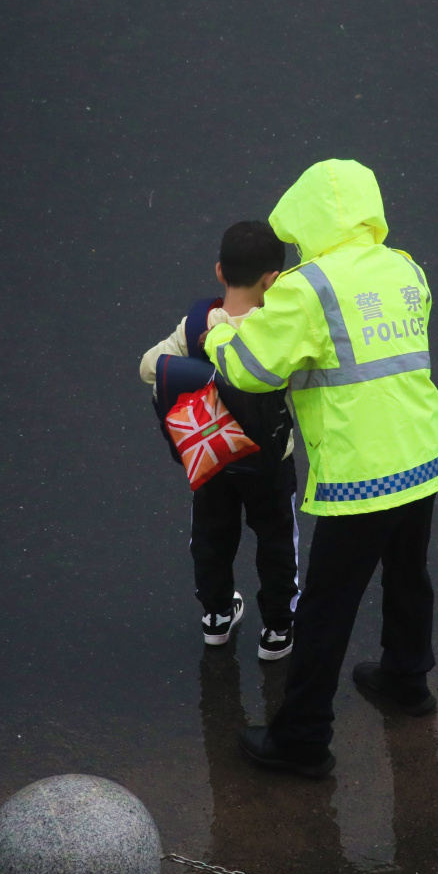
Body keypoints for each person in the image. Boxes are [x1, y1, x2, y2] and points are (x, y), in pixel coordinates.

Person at [203, 160, 438, 777]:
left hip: (361, 472)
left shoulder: (308, 287)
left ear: (306, 217)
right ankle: (408, 681)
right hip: (419, 455)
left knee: (325, 611)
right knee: (409, 577)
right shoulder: (405, 267)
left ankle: (302, 739)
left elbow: (252, 370)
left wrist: (219, 334)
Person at [139, 221, 300, 661]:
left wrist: (202, 362)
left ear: (219, 271)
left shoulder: (198, 325)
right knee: (276, 542)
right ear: (272, 279)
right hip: (269, 460)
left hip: (212, 454)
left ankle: (216, 616)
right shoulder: (278, 330)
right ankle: (278, 629)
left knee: (211, 537)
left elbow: (149, 366)